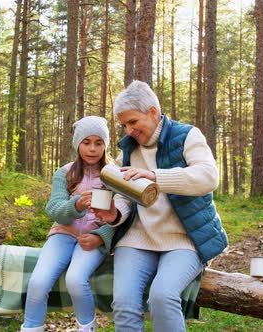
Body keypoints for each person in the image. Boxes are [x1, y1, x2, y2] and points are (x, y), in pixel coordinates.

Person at [94, 80, 228, 332]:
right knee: (123, 302)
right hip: (137, 238)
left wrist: (156, 176)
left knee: (162, 296)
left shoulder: (187, 135)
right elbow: (124, 195)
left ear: (153, 112)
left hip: (183, 239)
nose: (129, 130)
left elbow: (209, 177)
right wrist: (114, 214)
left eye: (133, 122)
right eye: (124, 125)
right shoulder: (128, 150)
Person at [21, 116, 115, 332]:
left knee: (75, 279)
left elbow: (122, 216)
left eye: (98, 143)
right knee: (38, 282)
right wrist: (77, 205)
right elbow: (54, 209)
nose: (92, 149)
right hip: (63, 234)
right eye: (86, 142)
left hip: (93, 240)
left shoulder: (114, 175)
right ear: (77, 144)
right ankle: (31, 328)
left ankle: (87, 328)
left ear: (105, 145)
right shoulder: (64, 173)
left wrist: (101, 236)